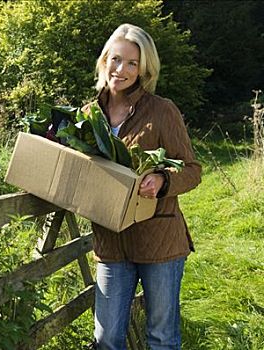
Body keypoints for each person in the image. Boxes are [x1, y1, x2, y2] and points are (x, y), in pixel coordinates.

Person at [81, 24, 202, 349]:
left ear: (144, 69)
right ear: (104, 60)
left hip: (159, 242)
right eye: (116, 59)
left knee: (161, 338)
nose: (121, 70)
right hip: (111, 243)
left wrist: (163, 180)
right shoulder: (88, 115)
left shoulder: (162, 111)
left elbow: (192, 170)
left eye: (132, 63)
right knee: (106, 339)